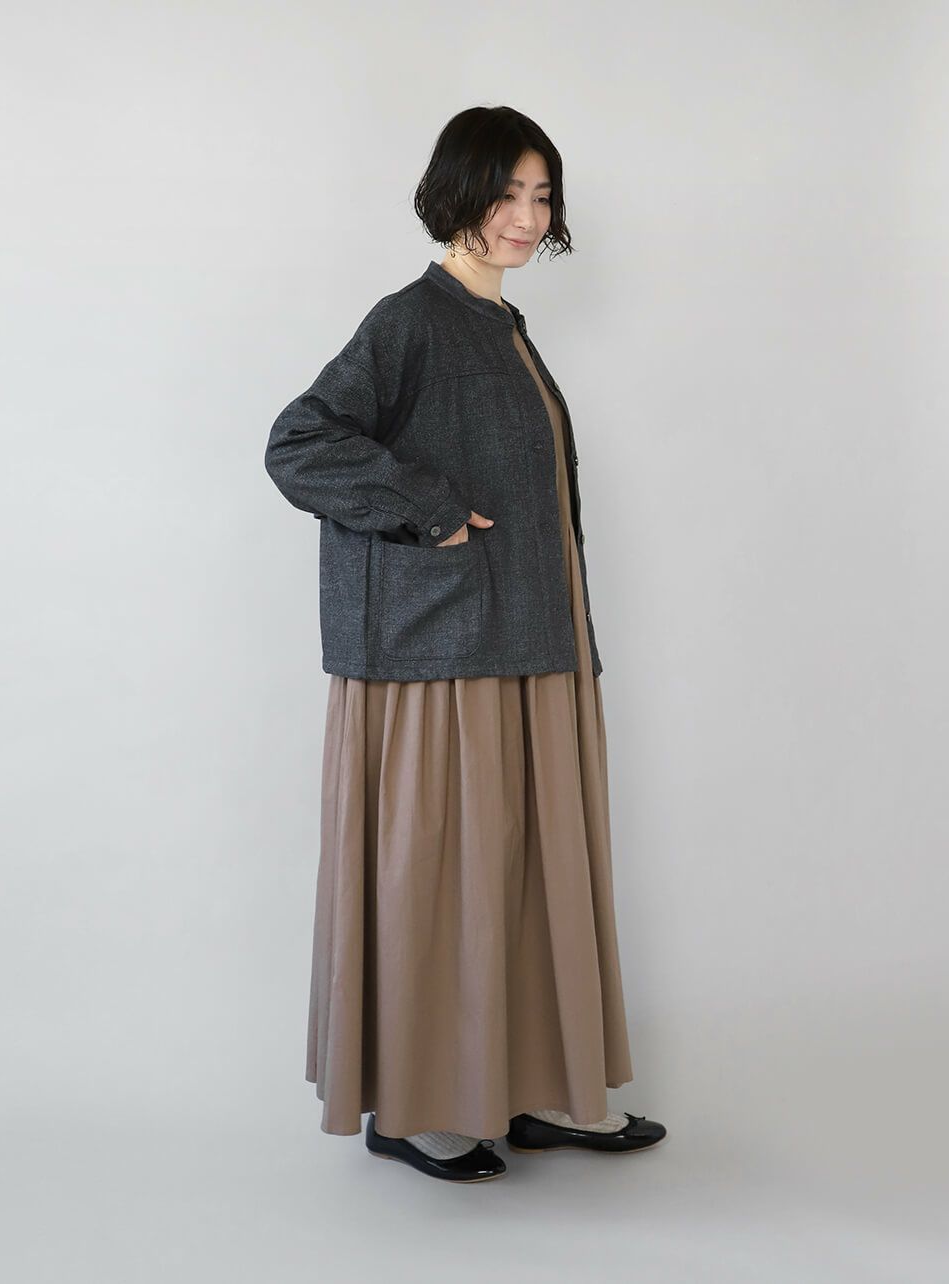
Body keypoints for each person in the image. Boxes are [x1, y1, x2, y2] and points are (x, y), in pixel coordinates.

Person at [264, 105, 666, 1183]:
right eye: (505, 193)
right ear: (458, 194)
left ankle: (532, 1089)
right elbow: (299, 442)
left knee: (530, 873)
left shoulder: (501, 323)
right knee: (443, 877)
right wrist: (429, 510)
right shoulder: (412, 319)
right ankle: (414, 1106)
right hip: (439, 652)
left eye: (541, 195)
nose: (525, 216)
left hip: (530, 640)